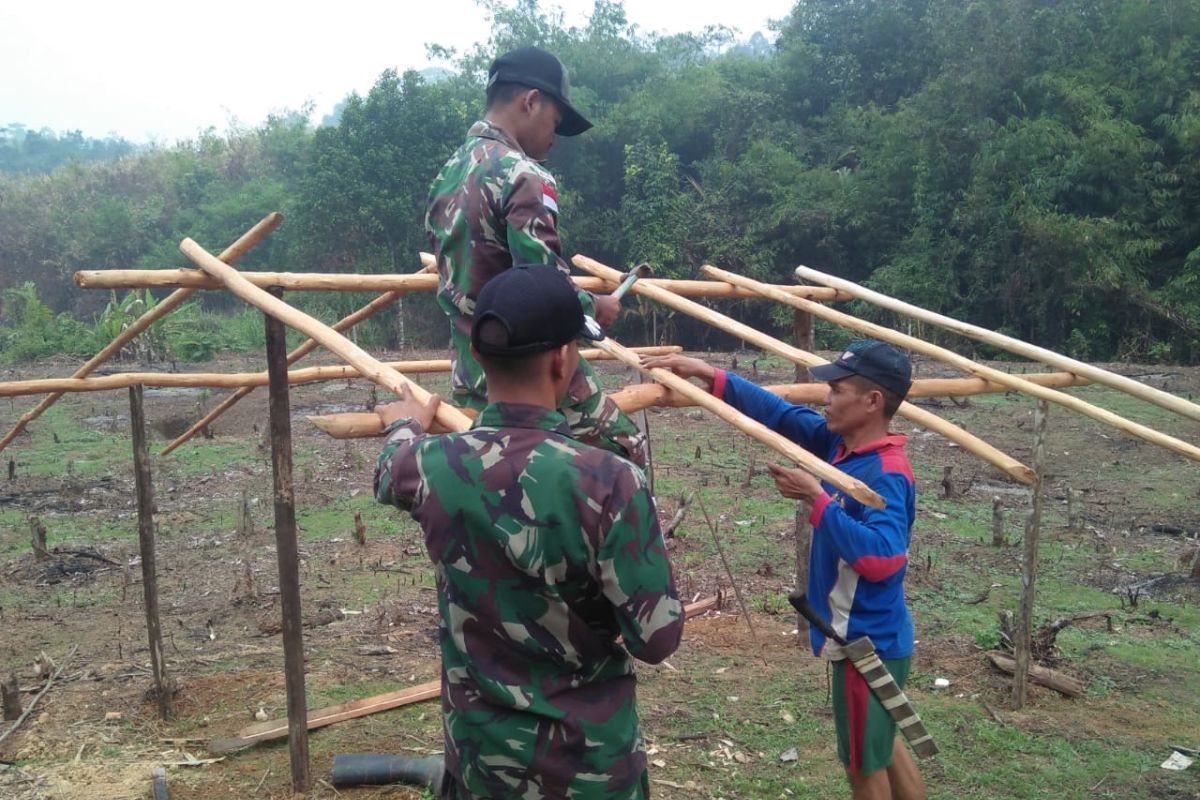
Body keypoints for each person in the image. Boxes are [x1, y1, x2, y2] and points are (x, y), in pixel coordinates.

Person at [375, 265, 684, 800]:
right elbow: (656, 640)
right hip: (586, 767)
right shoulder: (611, 481)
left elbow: (389, 469)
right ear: (564, 359)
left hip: (480, 762)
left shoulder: (428, 465)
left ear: (475, 354)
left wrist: (405, 422)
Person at [642, 341, 927, 800]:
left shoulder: (885, 472)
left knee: (863, 768)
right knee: (882, 744)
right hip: (873, 639)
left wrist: (818, 501)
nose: (826, 399)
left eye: (837, 390)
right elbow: (779, 414)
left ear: (873, 401)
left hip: (865, 643)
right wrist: (708, 374)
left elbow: (882, 559)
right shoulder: (840, 446)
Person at [426, 45, 645, 466]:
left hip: (474, 372)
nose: (553, 137)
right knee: (622, 455)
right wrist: (595, 307)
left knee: (501, 476)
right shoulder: (521, 173)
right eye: (555, 122)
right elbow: (542, 287)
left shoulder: (447, 175)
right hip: (531, 369)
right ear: (530, 102)